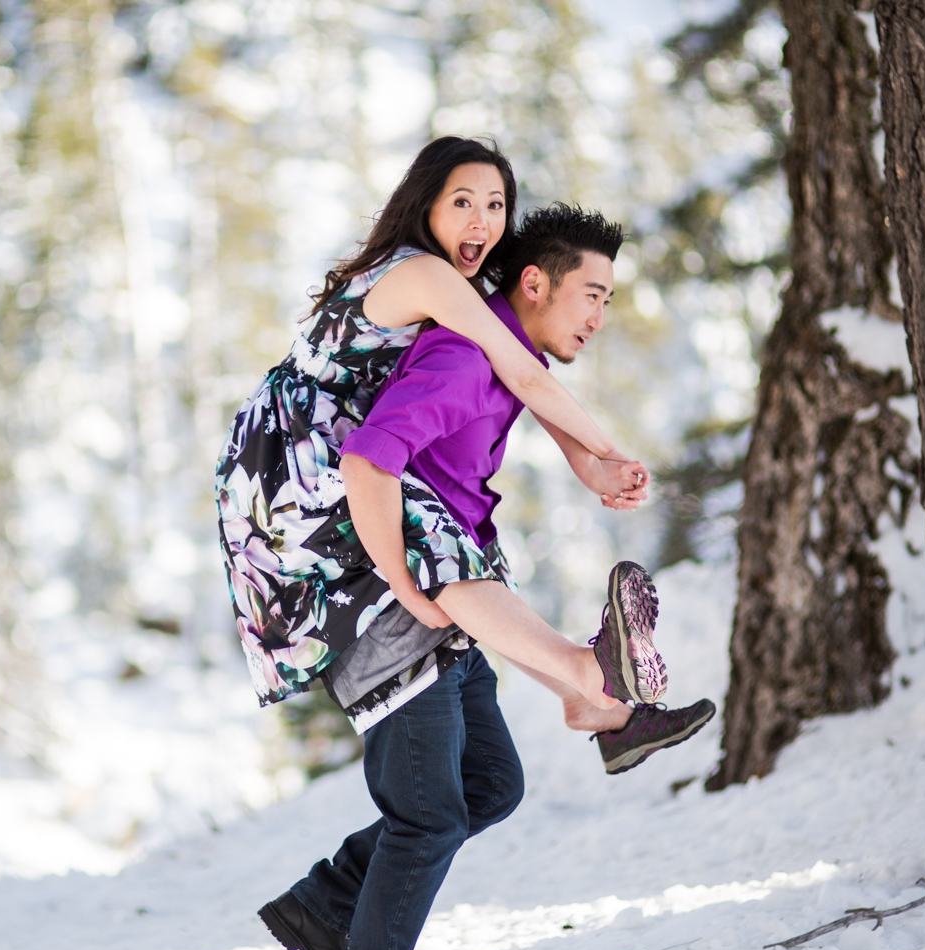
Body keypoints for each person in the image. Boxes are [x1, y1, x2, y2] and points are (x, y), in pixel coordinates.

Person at [255, 204, 718, 950]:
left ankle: (327, 903)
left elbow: (536, 395)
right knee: (427, 816)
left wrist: (594, 463)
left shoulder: (498, 358)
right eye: (593, 295)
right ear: (534, 283)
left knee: (492, 786)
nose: (601, 317)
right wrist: (401, 582)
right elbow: (371, 456)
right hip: (394, 617)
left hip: (454, 606)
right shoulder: (466, 359)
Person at [216, 137, 656, 745]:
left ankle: (588, 700)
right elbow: (522, 371)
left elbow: (516, 369)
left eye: (497, 205)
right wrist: (609, 451)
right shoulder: (426, 274)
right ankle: (584, 672)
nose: (483, 221)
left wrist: (586, 461)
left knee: (468, 545)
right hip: (291, 454)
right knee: (429, 532)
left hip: (319, 437)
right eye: (464, 203)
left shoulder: (453, 288)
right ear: (427, 207)